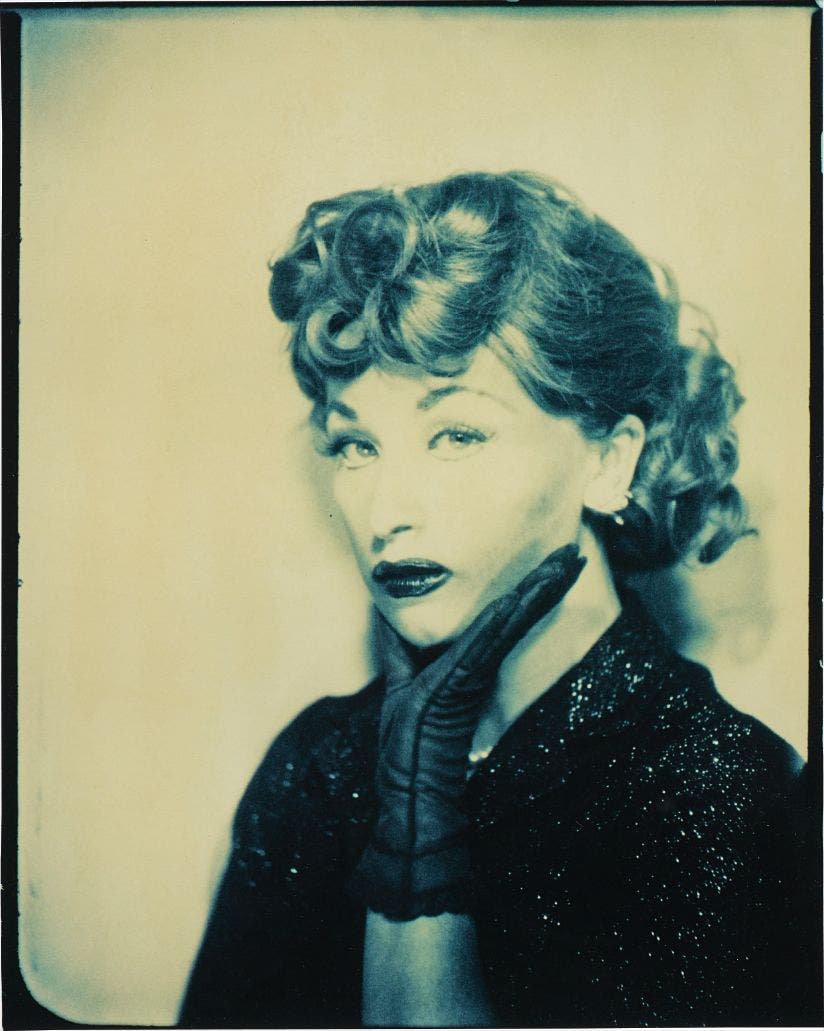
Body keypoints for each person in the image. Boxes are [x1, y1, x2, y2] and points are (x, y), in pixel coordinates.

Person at [178, 171, 817, 1027]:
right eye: (357, 445)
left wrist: (419, 837)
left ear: (610, 459)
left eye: (456, 434)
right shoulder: (319, 770)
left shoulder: (731, 794)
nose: (387, 512)